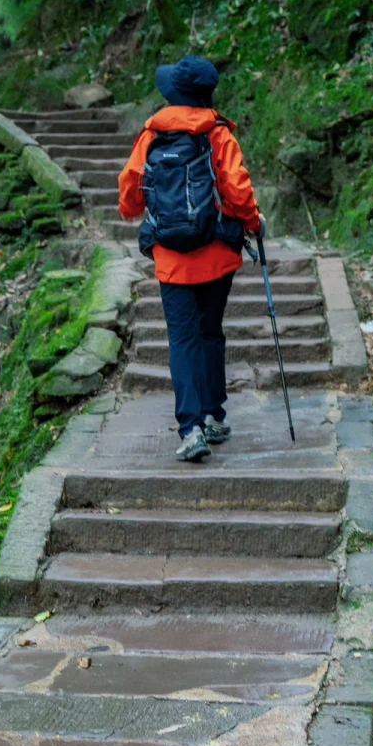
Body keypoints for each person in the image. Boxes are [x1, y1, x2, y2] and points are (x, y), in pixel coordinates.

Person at [118, 56, 263, 462]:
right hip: (217, 253)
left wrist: (147, 208)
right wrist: (253, 221)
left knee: (183, 339)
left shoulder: (153, 134)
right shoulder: (218, 134)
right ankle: (215, 415)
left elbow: (129, 197)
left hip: (171, 259)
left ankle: (191, 428)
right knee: (211, 331)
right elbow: (236, 189)